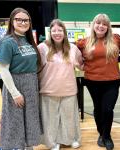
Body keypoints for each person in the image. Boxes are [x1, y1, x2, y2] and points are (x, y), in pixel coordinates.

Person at [0, 7, 42, 150]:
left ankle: (29, 147)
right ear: (12, 21)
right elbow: (3, 69)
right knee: (14, 122)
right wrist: (15, 93)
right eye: (19, 19)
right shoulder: (7, 42)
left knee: (30, 120)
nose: (23, 22)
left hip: (31, 85)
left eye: (26, 20)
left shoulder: (28, 40)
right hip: (16, 85)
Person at [76, 14, 120, 150]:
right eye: (98, 23)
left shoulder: (116, 40)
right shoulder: (84, 42)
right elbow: (72, 52)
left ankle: (107, 136)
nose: (101, 26)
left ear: (108, 27)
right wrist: (80, 65)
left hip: (112, 81)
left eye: (104, 24)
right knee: (98, 108)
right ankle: (101, 133)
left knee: (108, 109)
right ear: (93, 25)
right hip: (93, 81)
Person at [38, 19, 83, 150]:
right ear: (50, 32)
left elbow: (81, 65)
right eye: (54, 30)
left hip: (69, 90)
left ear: (64, 32)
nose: (57, 33)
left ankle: (70, 139)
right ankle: (52, 143)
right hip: (48, 90)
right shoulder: (42, 48)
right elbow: (35, 68)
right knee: (50, 120)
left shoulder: (73, 48)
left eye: (60, 30)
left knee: (69, 118)